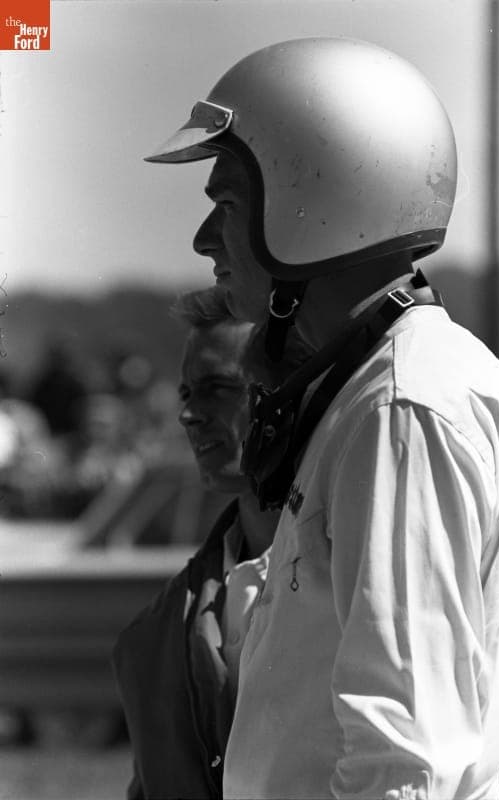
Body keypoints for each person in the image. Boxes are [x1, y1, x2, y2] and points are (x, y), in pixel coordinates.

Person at [145, 38, 499, 800]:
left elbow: (405, 763)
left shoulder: (398, 410)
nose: (203, 240)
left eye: (227, 205)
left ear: (312, 211)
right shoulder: (413, 386)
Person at [113, 286, 312, 800]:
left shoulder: (347, 577)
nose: (188, 414)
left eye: (217, 388)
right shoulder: (162, 626)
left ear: (293, 393)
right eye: (186, 393)